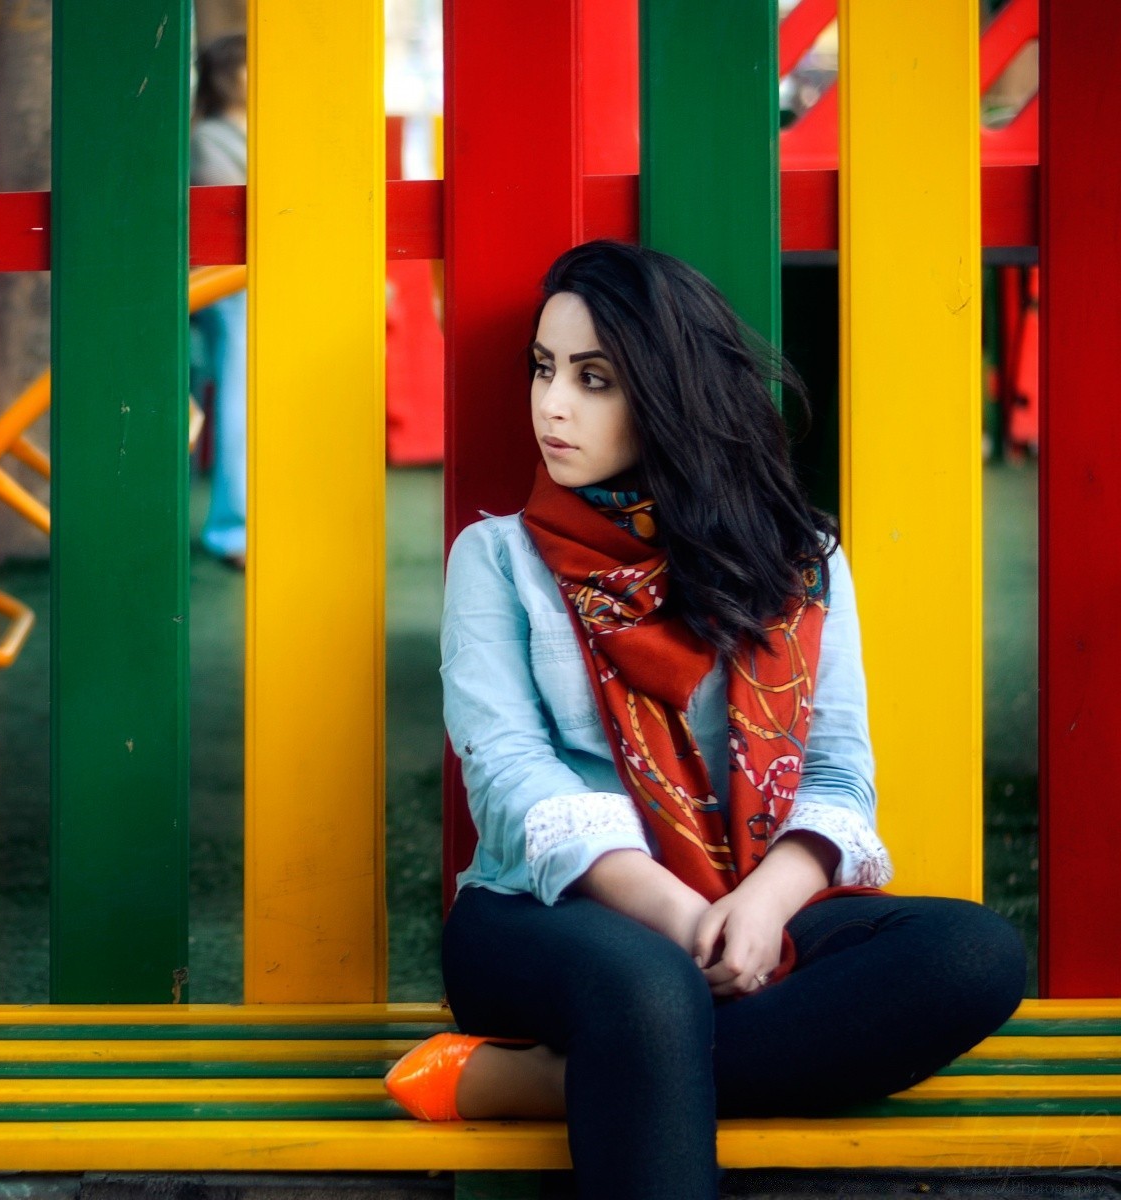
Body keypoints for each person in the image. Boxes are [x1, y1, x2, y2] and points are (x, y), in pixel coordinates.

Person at [385, 240, 1026, 1198]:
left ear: (668, 388)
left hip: (751, 902)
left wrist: (760, 910)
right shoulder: (499, 559)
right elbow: (513, 776)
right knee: (652, 990)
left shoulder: (800, 561)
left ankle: (549, 1083)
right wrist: (686, 921)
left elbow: (840, 767)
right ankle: (641, 1043)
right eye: (544, 369)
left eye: (594, 379)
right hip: (545, 918)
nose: (551, 404)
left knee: (975, 955)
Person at [189, 34, 247, 567]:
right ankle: (234, 529)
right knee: (237, 402)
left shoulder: (246, 134)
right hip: (230, 291)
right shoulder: (211, 138)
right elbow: (226, 226)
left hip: (254, 288)